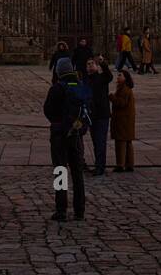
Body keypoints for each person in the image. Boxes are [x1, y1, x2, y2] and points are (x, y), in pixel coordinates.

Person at [43, 56, 90, 220]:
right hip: (76, 136)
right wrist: (78, 128)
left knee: (60, 171)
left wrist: (58, 123)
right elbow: (86, 110)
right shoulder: (80, 85)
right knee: (77, 173)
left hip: (59, 136)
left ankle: (61, 209)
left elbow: (48, 110)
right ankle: (80, 210)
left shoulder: (57, 88)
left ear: (59, 71)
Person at [85, 54, 112, 175]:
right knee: (96, 142)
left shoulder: (101, 78)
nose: (90, 66)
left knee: (100, 141)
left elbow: (109, 76)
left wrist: (103, 63)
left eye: (92, 64)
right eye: (88, 64)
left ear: (96, 66)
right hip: (92, 116)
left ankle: (100, 167)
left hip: (102, 115)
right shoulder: (86, 81)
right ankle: (98, 165)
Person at [110, 70, 136, 171]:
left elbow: (121, 103)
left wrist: (111, 97)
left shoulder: (124, 89)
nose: (117, 77)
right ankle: (129, 164)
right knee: (128, 142)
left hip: (122, 120)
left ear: (125, 77)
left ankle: (120, 165)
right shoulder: (125, 88)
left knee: (120, 142)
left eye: (120, 75)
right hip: (126, 120)